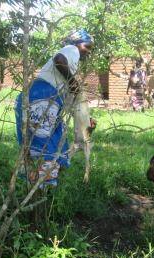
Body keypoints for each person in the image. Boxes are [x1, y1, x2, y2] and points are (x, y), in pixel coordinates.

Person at [14, 29, 94, 187]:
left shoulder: (71, 63)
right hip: (42, 96)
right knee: (46, 146)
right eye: (87, 46)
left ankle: (37, 187)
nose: (88, 51)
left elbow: (73, 102)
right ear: (77, 43)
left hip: (40, 97)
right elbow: (59, 60)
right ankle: (42, 189)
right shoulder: (72, 50)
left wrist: (86, 122)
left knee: (53, 143)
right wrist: (72, 82)